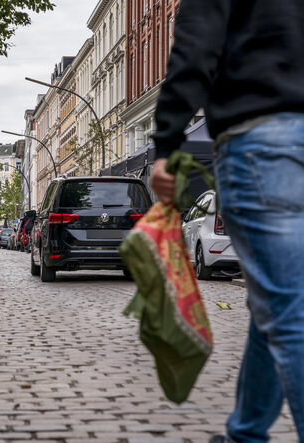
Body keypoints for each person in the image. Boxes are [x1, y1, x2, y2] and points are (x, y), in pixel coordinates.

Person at [150, 1, 304, 441]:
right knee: (273, 298)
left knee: (290, 310)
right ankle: (246, 432)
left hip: (262, 140)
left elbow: (196, 51)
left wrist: (166, 145)